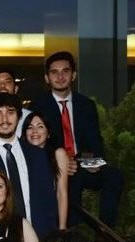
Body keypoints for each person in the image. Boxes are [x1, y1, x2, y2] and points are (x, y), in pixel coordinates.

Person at [30, 51, 125, 228]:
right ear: (47, 78)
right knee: (71, 181)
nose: (60, 77)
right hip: (55, 166)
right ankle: (70, 234)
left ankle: (104, 234)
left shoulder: (86, 105)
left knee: (114, 176)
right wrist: (63, 162)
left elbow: (95, 142)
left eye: (65, 71)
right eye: (54, 72)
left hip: (83, 162)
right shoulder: (38, 106)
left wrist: (88, 161)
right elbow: (36, 143)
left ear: (73, 75)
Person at [0, 92, 59, 238]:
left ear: (19, 117)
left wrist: (51, 236)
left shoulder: (38, 155)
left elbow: (48, 202)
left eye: (10, 112)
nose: (4, 119)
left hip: (37, 237)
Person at [23, 112, 72, 230]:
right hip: (25, 217)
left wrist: (62, 226)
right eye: (30, 127)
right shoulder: (19, 154)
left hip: (48, 215)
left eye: (40, 126)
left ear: (48, 133)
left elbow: (62, 192)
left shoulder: (58, 154)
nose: (34, 131)